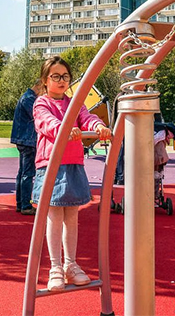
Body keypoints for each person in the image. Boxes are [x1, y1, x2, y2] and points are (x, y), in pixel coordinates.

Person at [31, 56, 111, 292]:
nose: (61, 80)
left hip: (74, 164)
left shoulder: (75, 102)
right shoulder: (41, 103)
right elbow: (46, 123)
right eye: (56, 76)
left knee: (72, 217)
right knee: (54, 217)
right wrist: (65, 129)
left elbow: (86, 117)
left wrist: (96, 126)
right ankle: (55, 267)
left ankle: (71, 264)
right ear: (46, 80)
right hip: (51, 165)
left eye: (65, 76)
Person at [10, 84, 38, 215]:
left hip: (23, 139)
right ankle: (25, 205)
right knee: (27, 173)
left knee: (22, 172)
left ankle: (21, 203)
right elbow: (38, 115)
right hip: (28, 140)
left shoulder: (26, 97)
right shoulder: (30, 99)